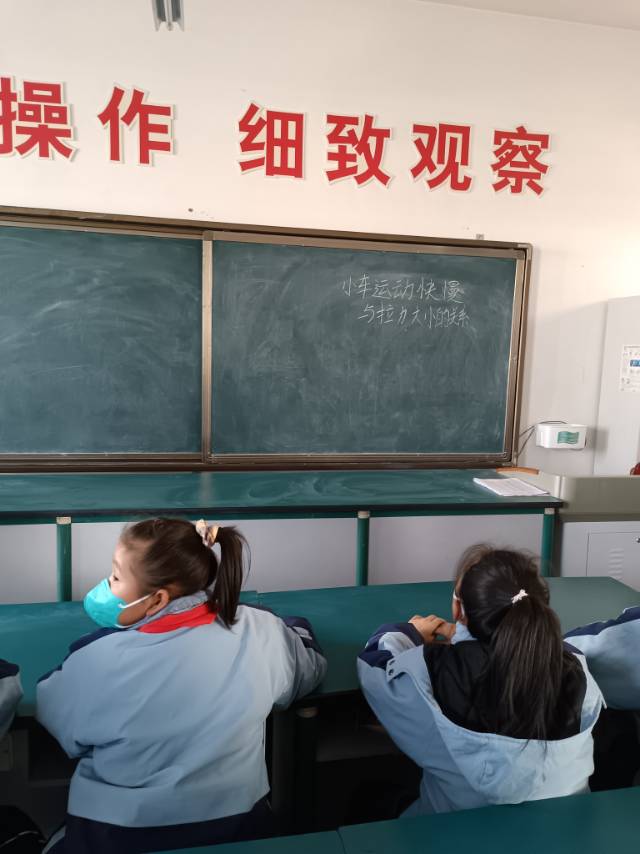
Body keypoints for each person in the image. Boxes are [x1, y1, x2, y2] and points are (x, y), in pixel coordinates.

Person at [37, 518, 326, 853]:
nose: (106, 586)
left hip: (116, 836)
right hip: (237, 830)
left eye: (115, 577)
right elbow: (309, 668)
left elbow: (56, 714)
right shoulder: (262, 630)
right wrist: (295, 628)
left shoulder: (96, 659)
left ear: (157, 600)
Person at [358, 545, 603, 815]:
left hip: (451, 830)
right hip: (563, 829)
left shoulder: (428, 672)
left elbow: (374, 666)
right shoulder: (577, 669)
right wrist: (464, 637)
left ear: (458, 609)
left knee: (369, 796)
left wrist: (409, 632)